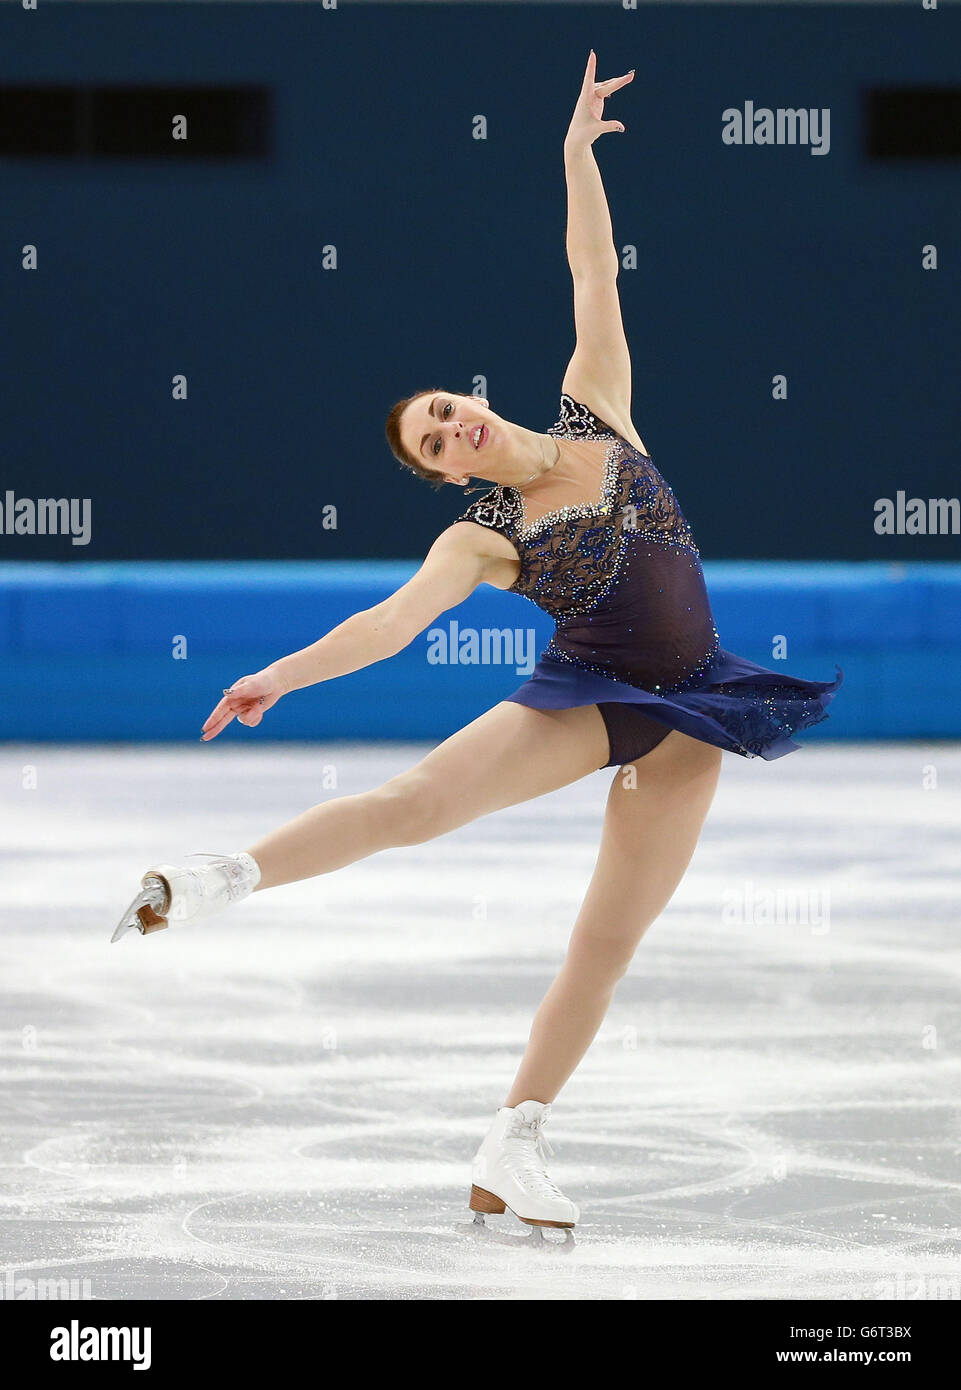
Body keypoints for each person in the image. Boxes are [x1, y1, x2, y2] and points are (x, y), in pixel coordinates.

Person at [111, 53, 840, 1237]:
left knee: (605, 941)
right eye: (436, 440)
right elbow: (390, 624)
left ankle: (516, 1143)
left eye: (448, 405)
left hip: (698, 705)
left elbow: (590, 267)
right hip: (591, 692)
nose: (456, 424)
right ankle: (213, 878)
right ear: (444, 475)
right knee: (411, 803)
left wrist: (572, 159)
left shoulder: (591, 406)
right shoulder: (483, 537)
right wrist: (275, 677)